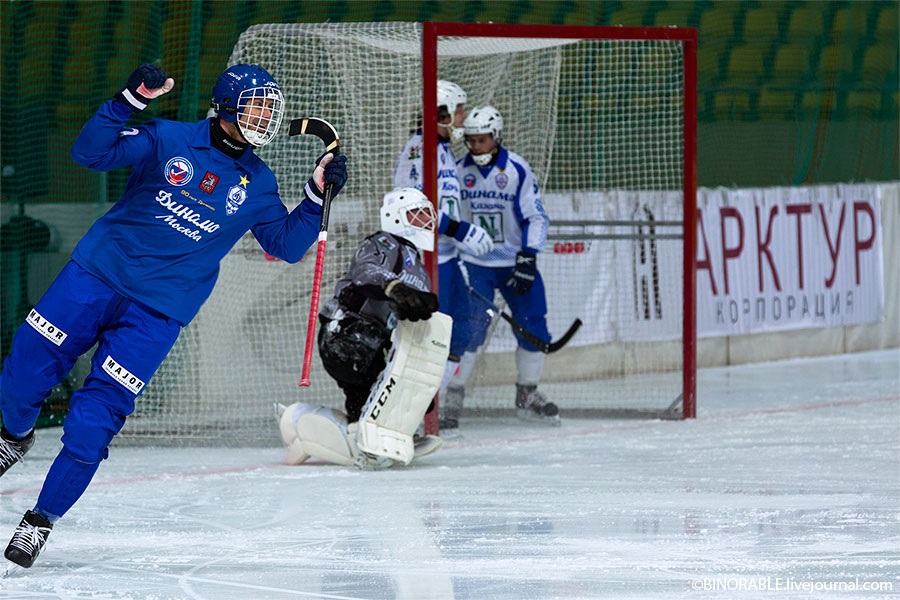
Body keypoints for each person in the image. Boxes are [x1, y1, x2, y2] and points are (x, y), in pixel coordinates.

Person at [0, 62, 348, 569]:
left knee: (93, 425)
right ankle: (13, 435)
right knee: (21, 377)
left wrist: (316, 195)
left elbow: (286, 246)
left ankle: (40, 520)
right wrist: (128, 100)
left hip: (158, 314)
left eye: (271, 109)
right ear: (227, 105)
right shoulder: (167, 138)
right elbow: (88, 152)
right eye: (258, 106)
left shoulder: (259, 182)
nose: (267, 117)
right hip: (93, 276)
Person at [278, 188, 448, 470]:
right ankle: (300, 421)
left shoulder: (420, 271)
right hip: (347, 333)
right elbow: (366, 271)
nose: (425, 221)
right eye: (416, 214)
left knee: (376, 402)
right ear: (395, 217)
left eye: (427, 215)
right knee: (370, 388)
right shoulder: (385, 242)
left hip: (374, 342)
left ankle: (363, 433)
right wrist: (395, 288)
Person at [392, 80, 494, 430]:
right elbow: (415, 207)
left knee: (463, 331)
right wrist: (461, 230)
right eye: (459, 109)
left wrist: (458, 237)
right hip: (424, 259)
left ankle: (426, 410)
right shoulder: (420, 147)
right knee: (427, 337)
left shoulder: (444, 149)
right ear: (442, 112)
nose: (464, 117)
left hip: (447, 257)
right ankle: (408, 413)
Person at [454, 106, 559, 425]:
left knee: (533, 325)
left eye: (483, 140)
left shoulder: (517, 170)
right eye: (471, 140)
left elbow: (536, 216)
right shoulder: (458, 170)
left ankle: (527, 394)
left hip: (515, 263)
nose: (476, 146)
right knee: (468, 331)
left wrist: (528, 254)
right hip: (474, 264)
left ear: (496, 136)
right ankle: (452, 397)